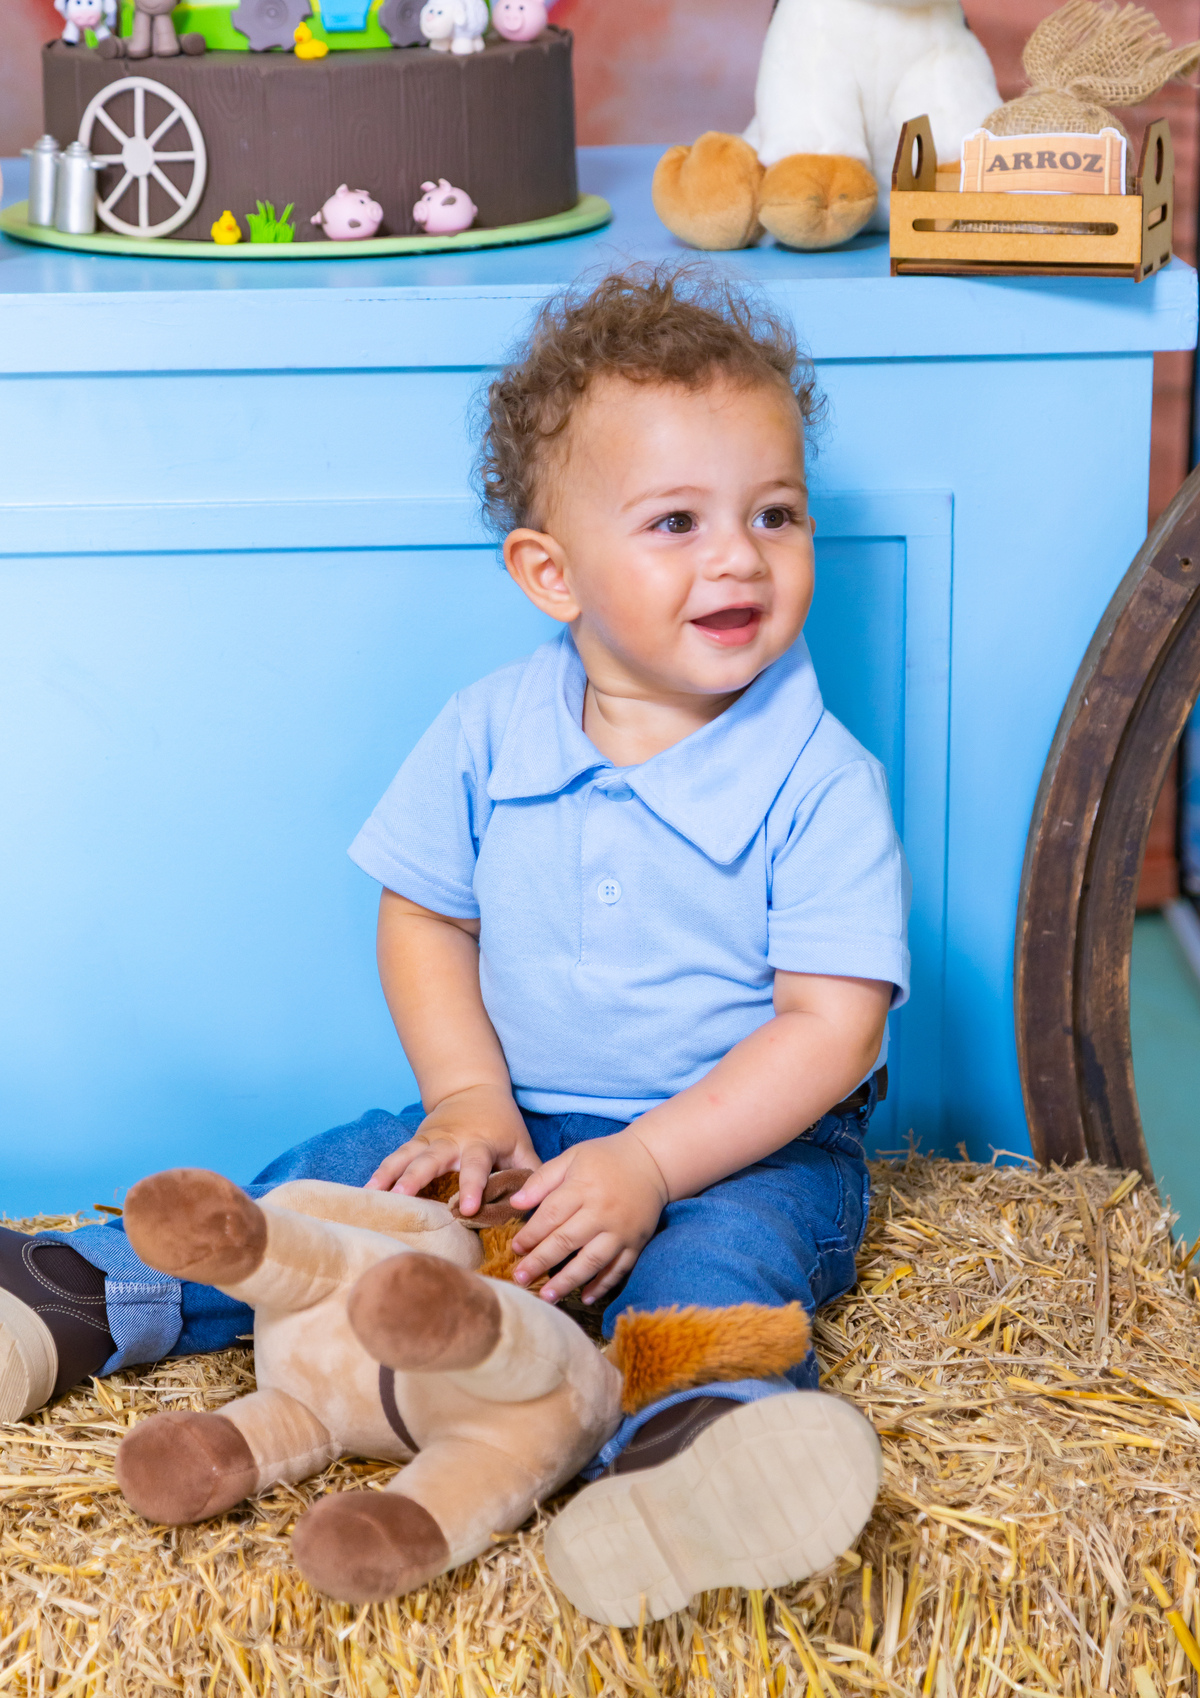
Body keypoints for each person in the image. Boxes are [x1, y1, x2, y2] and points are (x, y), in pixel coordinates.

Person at [0, 267, 908, 1624]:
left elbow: (834, 1025)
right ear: (552, 573)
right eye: (677, 522)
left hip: (740, 1149)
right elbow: (426, 911)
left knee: (722, 1268)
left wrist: (652, 1165)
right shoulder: (490, 731)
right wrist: (470, 1098)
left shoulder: (820, 779)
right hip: (519, 1118)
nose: (740, 557)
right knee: (333, 1190)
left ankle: (695, 1452)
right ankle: (78, 1292)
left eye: (774, 514)